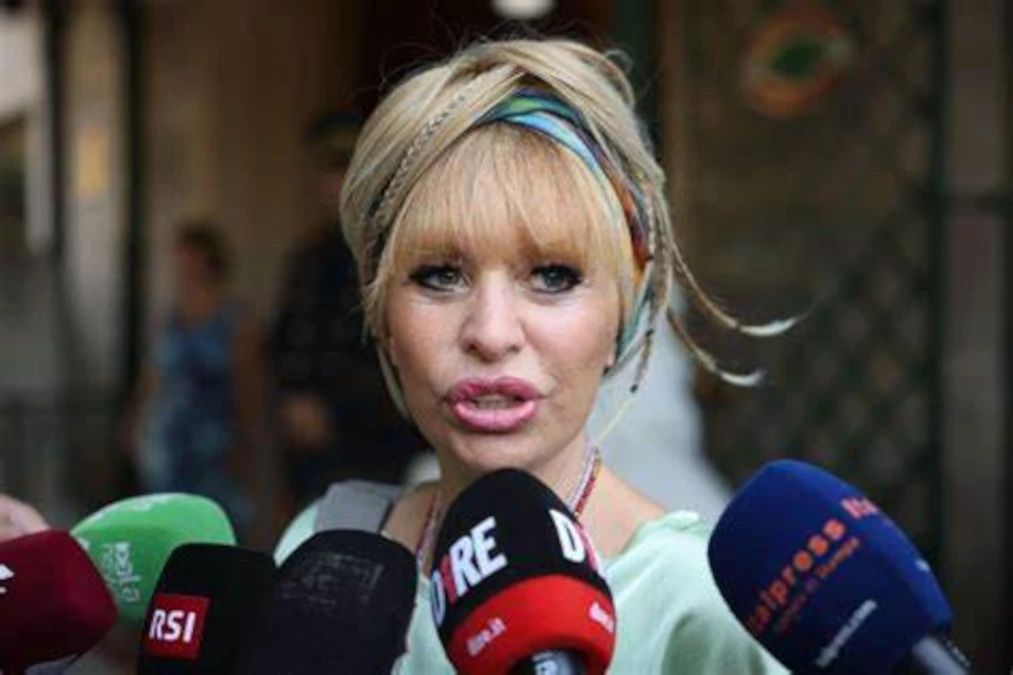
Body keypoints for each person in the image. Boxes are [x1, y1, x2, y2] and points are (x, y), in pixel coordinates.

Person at [278, 38, 790, 672]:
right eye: (439, 275)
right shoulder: (320, 552)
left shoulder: (701, 604)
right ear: (381, 313)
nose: (492, 334)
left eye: (553, 276)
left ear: (624, 313)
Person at [268, 112, 425, 516]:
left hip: (370, 451)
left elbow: (405, 355)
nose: (332, 185)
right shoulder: (307, 258)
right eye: (327, 171)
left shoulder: (389, 257)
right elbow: (284, 344)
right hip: (307, 456)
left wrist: (331, 412)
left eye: (343, 170)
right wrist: (291, 402)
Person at [123, 222, 266, 539]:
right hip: (167, 442)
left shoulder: (235, 318)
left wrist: (249, 445)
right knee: (165, 528)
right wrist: (134, 420)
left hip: (214, 445)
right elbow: (153, 375)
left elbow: (249, 388)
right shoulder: (172, 315)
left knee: (212, 527)